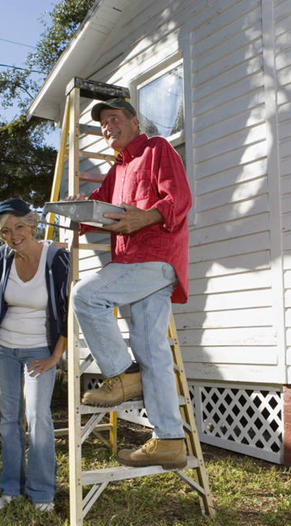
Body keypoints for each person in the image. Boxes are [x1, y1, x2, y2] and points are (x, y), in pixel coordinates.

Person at [69, 97, 191, 469]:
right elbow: (98, 209)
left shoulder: (157, 149)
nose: (108, 127)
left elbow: (179, 199)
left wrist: (147, 217)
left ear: (135, 122)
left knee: (86, 296)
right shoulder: (116, 172)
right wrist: (76, 211)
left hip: (155, 257)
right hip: (134, 265)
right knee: (151, 348)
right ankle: (170, 439)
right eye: (103, 124)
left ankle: (123, 376)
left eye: (114, 119)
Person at [0, 198, 70, 511]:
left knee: (38, 418)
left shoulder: (55, 258)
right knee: (9, 421)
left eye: (19, 226)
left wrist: (55, 357)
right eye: (5, 230)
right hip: (4, 348)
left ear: (32, 224)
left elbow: (68, 311)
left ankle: (42, 492)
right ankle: (10, 488)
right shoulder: (3, 256)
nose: (14, 234)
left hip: (40, 349)